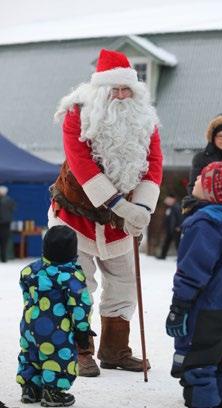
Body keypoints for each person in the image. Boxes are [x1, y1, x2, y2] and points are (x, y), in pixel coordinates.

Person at [49, 48, 163, 376]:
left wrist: (141, 207)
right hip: (75, 216)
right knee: (78, 284)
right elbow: (81, 165)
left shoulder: (146, 120)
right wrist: (118, 204)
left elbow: (154, 163)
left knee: (124, 283)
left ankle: (114, 350)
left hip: (119, 223)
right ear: (100, 90)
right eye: (115, 89)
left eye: (127, 89)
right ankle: (79, 349)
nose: (121, 95)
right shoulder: (77, 115)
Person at [166, 162, 222, 408]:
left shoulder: (203, 224)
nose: (196, 181)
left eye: (203, 179)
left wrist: (179, 306)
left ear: (215, 192)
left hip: (206, 308)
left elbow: (192, 272)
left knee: (199, 364)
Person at [16, 226, 93, 407]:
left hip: (29, 325)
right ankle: (52, 392)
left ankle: (30, 388)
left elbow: (26, 293)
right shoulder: (72, 275)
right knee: (58, 356)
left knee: (30, 353)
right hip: (56, 328)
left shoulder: (30, 270)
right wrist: (82, 330)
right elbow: (81, 305)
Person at [157, 194, 182, 260]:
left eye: (168, 199)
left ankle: (180, 257)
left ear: (173, 199)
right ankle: (163, 255)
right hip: (170, 229)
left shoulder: (176, 207)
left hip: (175, 229)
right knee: (166, 242)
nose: (166, 200)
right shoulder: (169, 207)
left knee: (178, 244)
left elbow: (180, 217)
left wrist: (179, 226)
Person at [0, 185, 16, 262]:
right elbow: (13, 209)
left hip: (4, 222)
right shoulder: (10, 200)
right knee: (4, 241)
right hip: (6, 223)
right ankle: (4, 258)